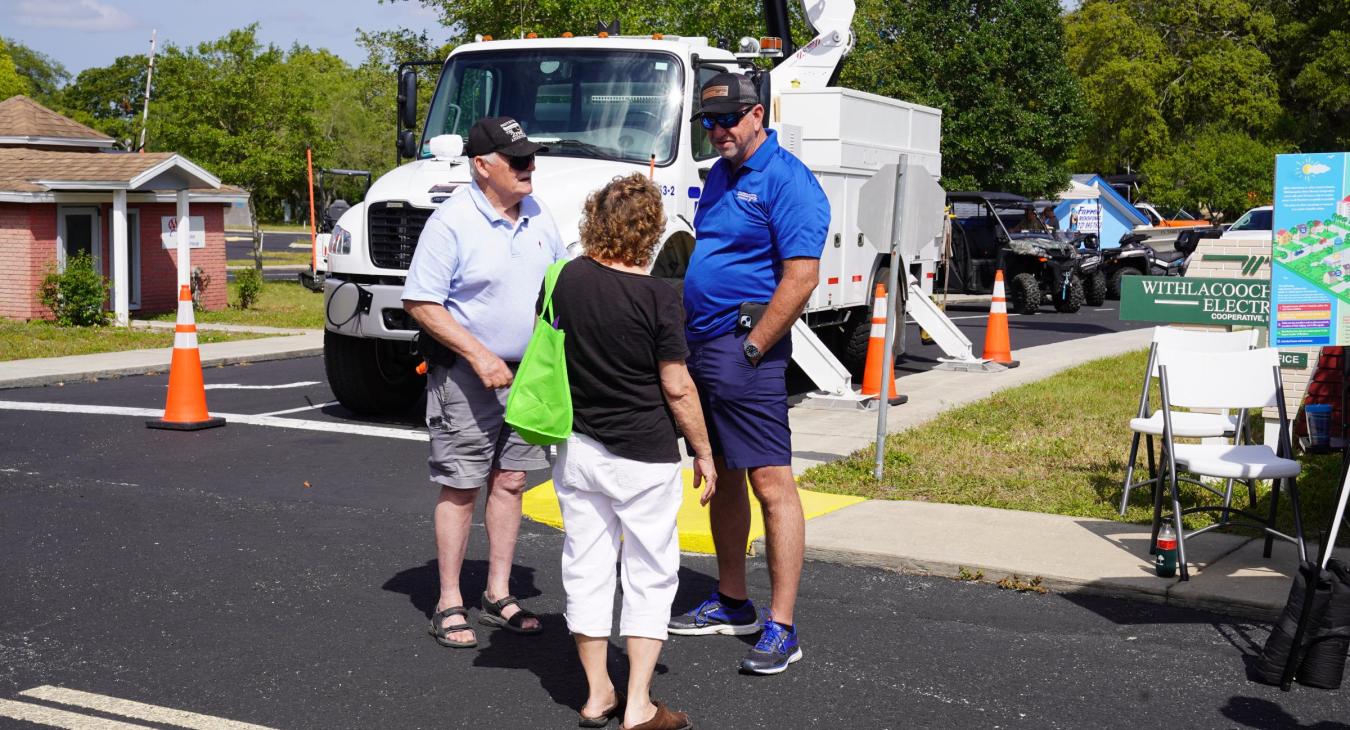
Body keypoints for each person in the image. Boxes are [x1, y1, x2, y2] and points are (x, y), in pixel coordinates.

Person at [668, 72, 830, 676]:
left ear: (757, 113)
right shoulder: (718, 176)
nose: (717, 132)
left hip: (747, 352)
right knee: (721, 477)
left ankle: (781, 626)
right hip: (704, 347)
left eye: (727, 120)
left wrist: (756, 348)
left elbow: (802, 277)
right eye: (708, 123)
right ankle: (732, 600)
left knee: (771, 483)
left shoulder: (789, 181)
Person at [550, 173, 716, 730]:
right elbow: (676, 386)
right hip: (643, 454)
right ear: (650, 232)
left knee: (587, 565)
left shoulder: (564, 280)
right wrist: (704, 451)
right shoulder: (657, 298)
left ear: (594, 219)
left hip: (578, 446)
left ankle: (598, 693)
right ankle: (639, 703)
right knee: (649, 572)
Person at [402, 116, 565, 649]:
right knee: (462, 485)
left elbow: (560, 283)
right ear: (482, 166)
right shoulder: (451, 222)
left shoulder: (538, 213)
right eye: (517, 160)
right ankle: (449, 600)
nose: (529, 167)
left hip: (527, 378)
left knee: (512, 481)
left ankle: (498, 592)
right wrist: (479, 355)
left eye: (530, 157)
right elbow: (421, 301)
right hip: (466, 376)